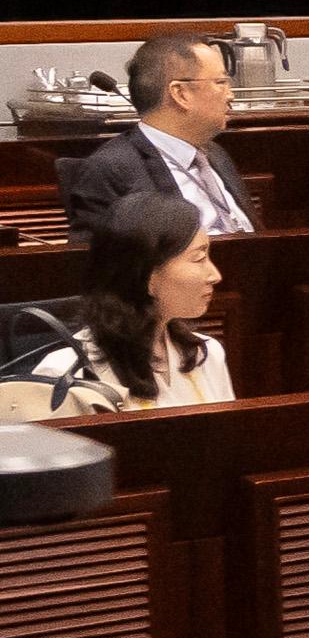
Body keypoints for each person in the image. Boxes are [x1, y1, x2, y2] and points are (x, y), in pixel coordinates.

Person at [33, 192, 232, 409]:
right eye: (199, 259)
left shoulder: (207, 354)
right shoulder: (67, 373)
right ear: (146, 276)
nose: (215, 275)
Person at [64, 32, 257, 240]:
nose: (230, 94)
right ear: (180, 93)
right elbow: (100, 264)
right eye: (220, 82)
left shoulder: (216, 154)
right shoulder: (111, 170)